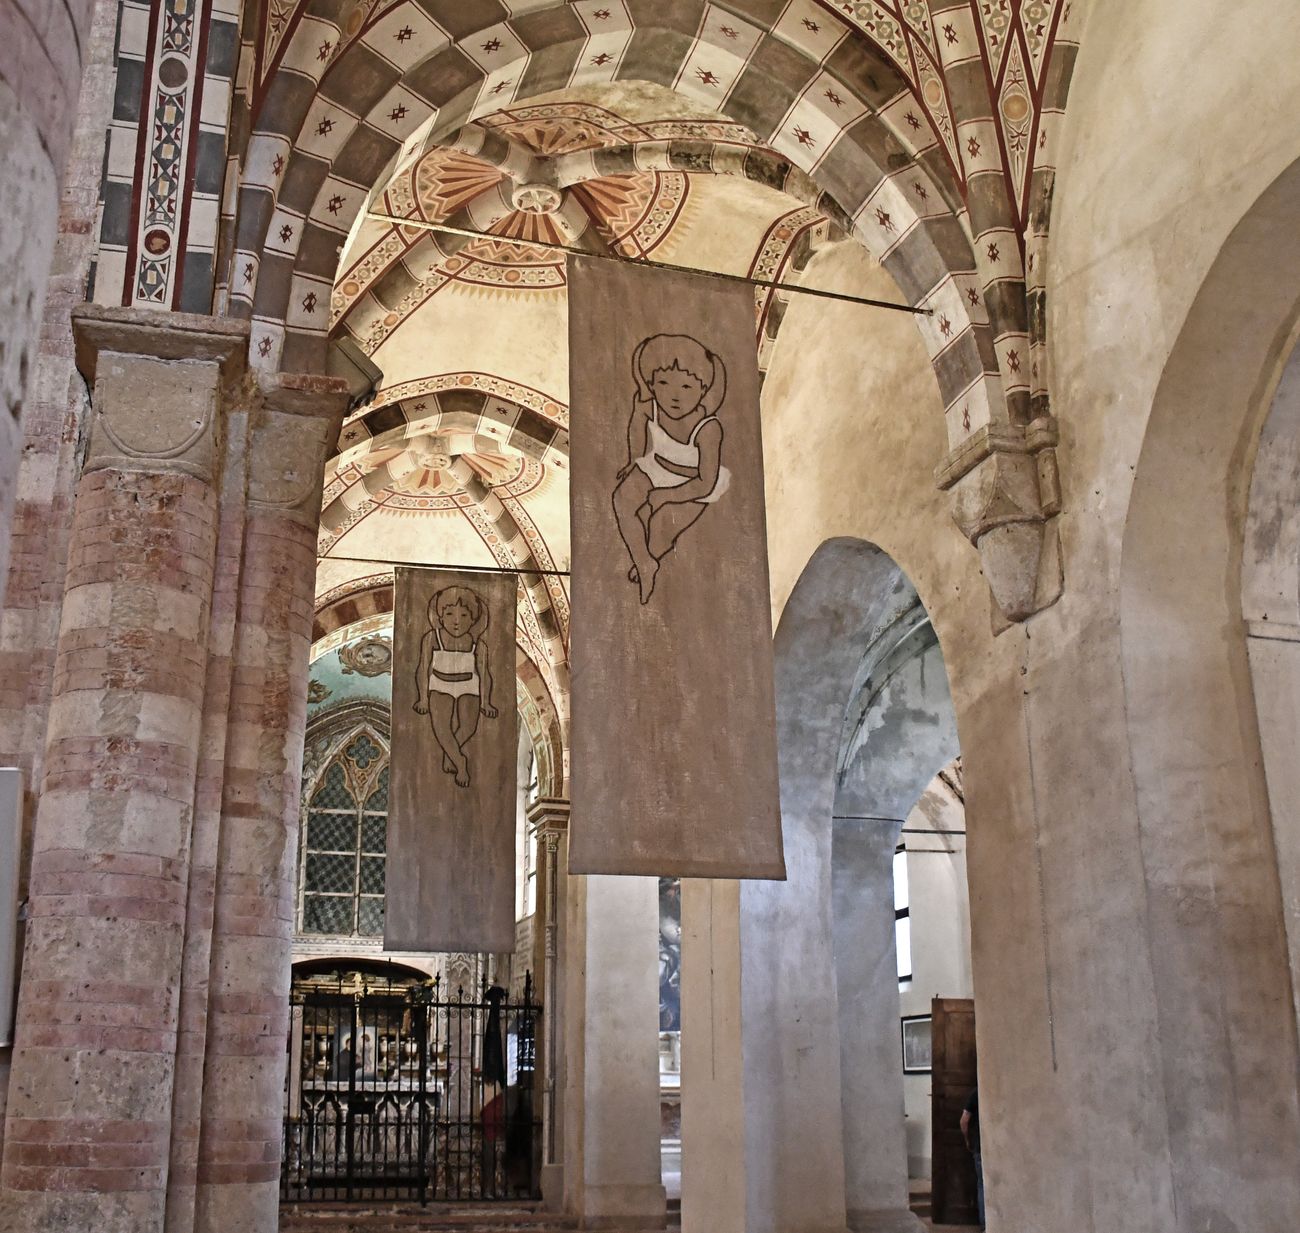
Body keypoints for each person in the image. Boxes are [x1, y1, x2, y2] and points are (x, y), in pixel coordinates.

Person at [612, 334, 730, 604]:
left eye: (687, 387)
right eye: (664, 383)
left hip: (694, 482)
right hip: (657, 467)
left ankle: (652, 555)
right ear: (652, 384)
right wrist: (634, 458)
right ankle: (644, 563)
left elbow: (705, 483)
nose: (675, 395)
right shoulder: (647, 405)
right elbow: (636, 425)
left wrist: (667, 496)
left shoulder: (708, 428)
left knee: (663, 527)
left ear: (703, 390)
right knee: (621, 499)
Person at [414, 586, 497, 787]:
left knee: (469, 726)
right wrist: (423, 698)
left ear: (473, 619)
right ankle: (460, 761)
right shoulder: (433, 638)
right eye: (449, 614)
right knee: (441, 727)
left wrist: (486, 701)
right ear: (440, 617)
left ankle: (449, 753)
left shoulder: (478, 644)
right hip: (440, 684)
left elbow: (484, 673)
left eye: (464, 615)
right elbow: (423, 667)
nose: (456, 620)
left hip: (469, 684)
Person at [961, 1084, 984, 1229]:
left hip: (979, 1145)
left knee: (982, 1184)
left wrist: (967, 1139)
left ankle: (985, 1225)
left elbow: (964, 1120)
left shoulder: (976, 1092)